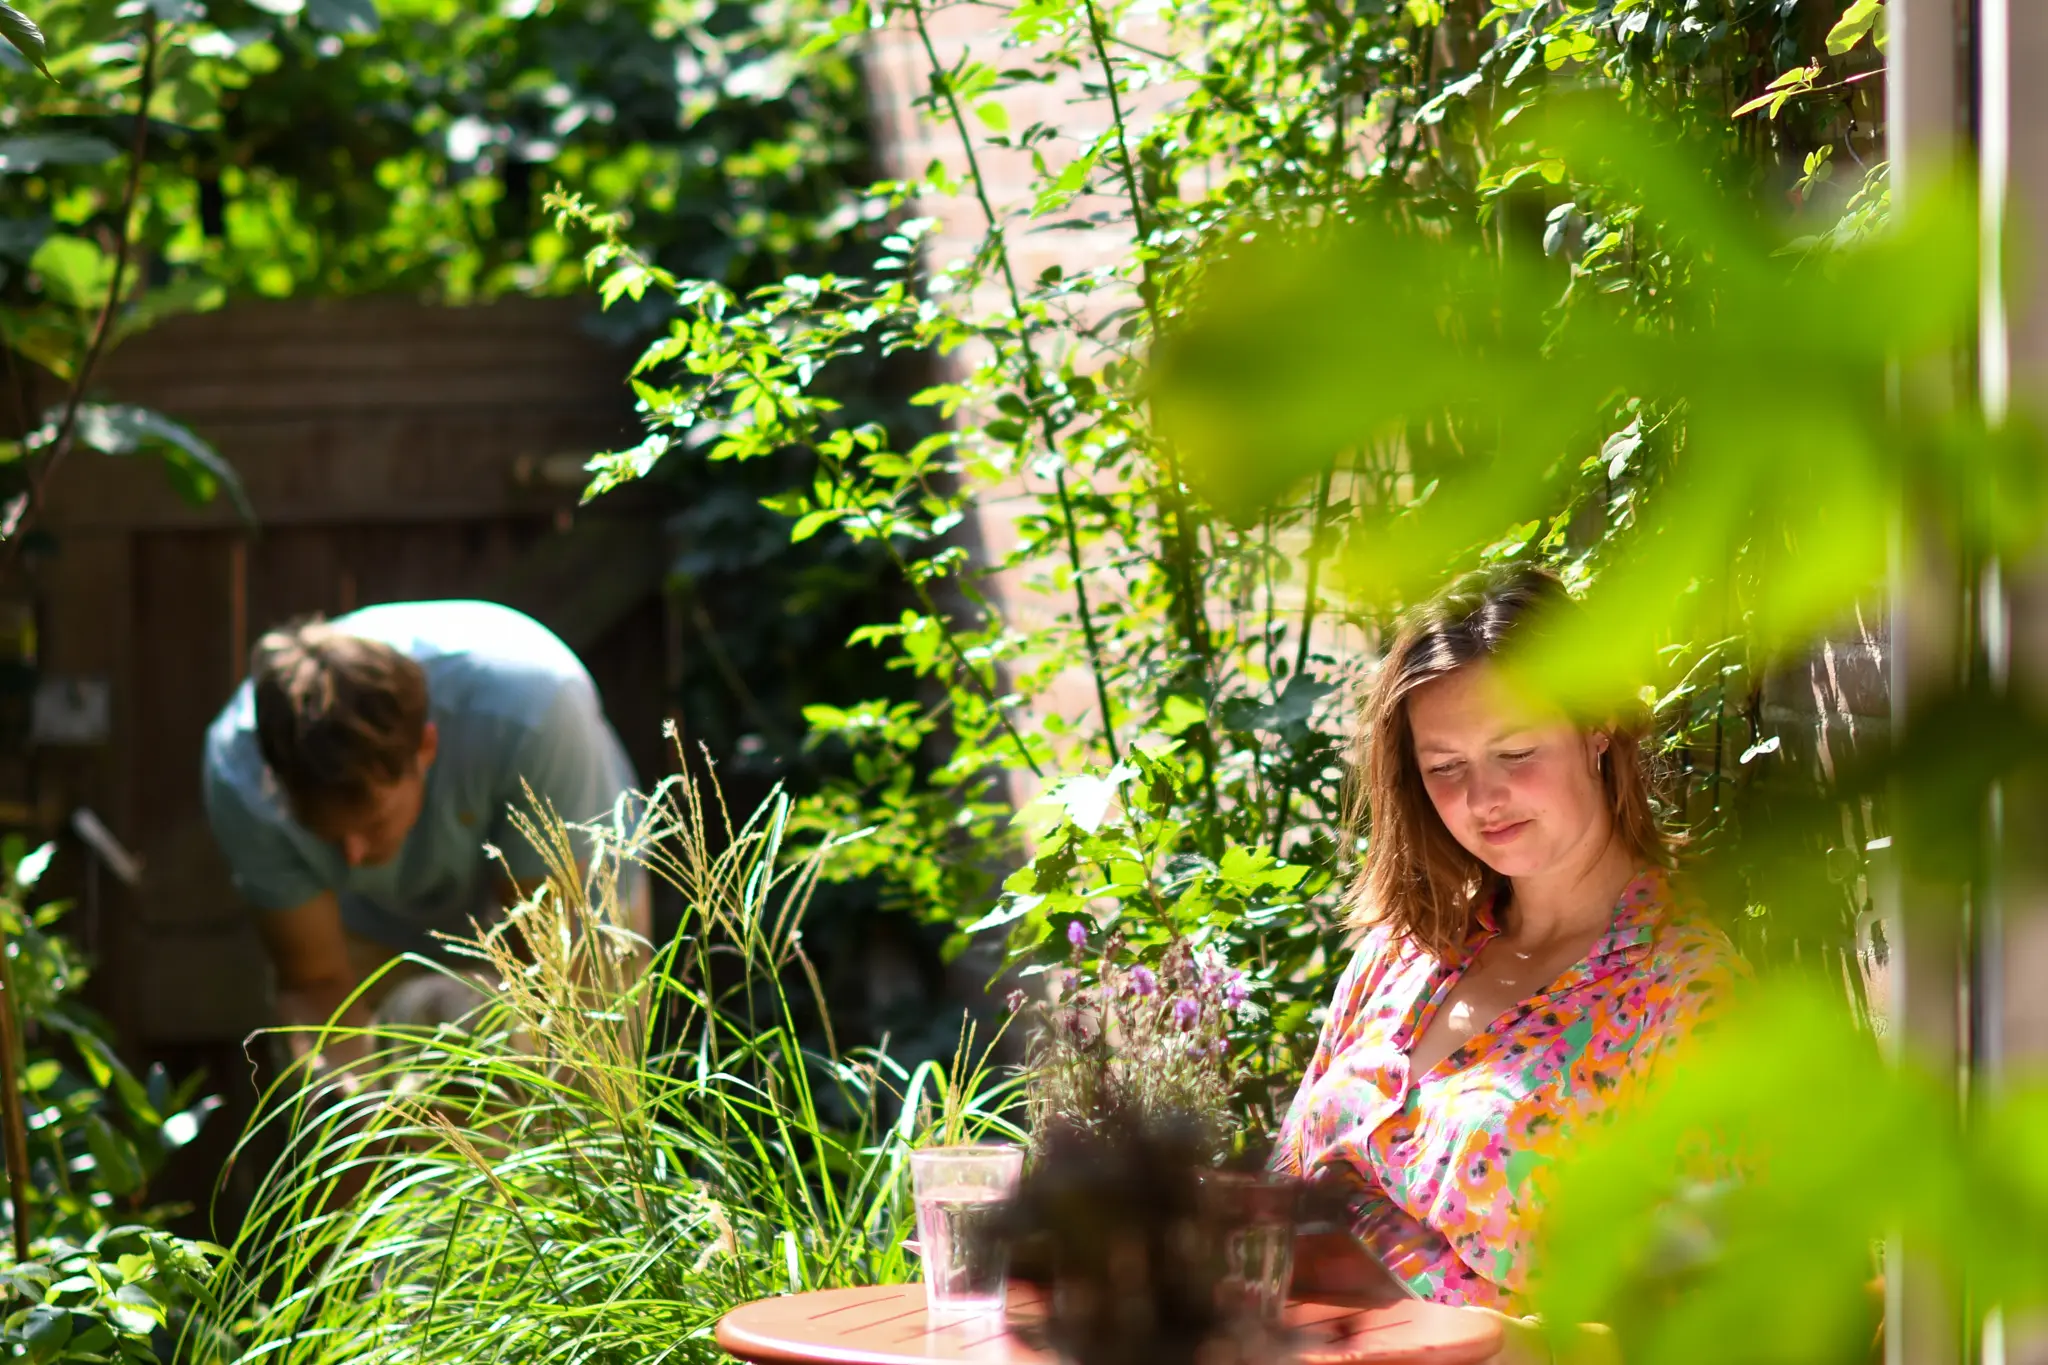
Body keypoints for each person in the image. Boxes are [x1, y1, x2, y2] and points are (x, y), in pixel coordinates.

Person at [1272, 565, 1744, 1322]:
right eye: (1445, 767)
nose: (1482, 798)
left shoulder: (1685, 997)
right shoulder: (1401, 953)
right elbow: (1276, 1198)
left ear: (1598, 727)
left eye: (1515, 752)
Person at [202, 599, 650, 1081]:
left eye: (371, 823)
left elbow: (555, 968)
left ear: (426, 748)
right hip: (367, 924)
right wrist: (359, 1114)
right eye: (327, 834)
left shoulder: (533, 711)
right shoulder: (241, 777)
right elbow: (316, 983)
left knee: (581, 1088)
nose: (352, 856)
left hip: (565, 907)